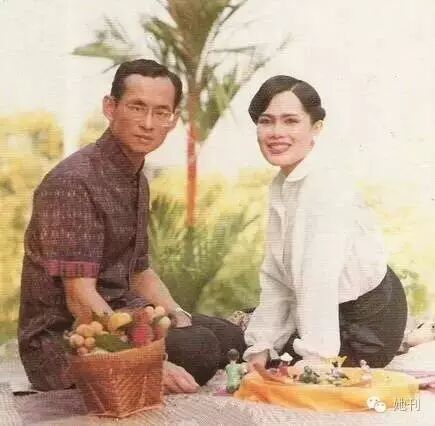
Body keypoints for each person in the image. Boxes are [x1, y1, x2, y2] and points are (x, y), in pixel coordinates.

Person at [18, 59, 245, 393]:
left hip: (125, 315)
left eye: (161, 112)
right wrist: (143, 363)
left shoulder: (135, 178)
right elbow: (80, 299)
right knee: (200, 349)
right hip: (64, 342)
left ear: (173, 119)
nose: (148, 124)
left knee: (228, 337)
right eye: (137, 107)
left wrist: (178, 315)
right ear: (110, 107)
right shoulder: (74, 182)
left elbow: (139, 272)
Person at [242, 75, 407, 372]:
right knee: (248, 341)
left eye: (291, 121)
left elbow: (318, 279)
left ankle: (406, 339)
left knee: (279, 360)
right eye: (266, 121)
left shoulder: (325, 184)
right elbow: (277, 277)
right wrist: (261, 346)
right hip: (329, 311)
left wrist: (316, 358)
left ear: (316, 127)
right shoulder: (282, 184)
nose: (276, 132)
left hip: (368, 321)